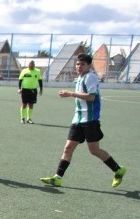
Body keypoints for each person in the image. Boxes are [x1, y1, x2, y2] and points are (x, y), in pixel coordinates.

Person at [40, 54, 127, 188]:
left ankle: (118, 169)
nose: (79, 67)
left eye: (82, 64)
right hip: (78, 120)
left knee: (94, 150)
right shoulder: (79, 78)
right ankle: (57, 178)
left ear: (89, 65)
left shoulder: (90, 77)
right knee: (68, 148)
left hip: (90, 120)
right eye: (77, 64)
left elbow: (91, 97)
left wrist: (70, 94)